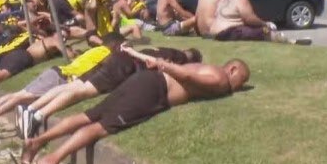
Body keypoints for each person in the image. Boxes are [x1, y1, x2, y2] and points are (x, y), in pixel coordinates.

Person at [20, 55, 250, 164]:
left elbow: (190, 75)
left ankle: (38, 141)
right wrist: (164, 64)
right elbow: (188, 77)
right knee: (101, 127)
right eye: (241, 79)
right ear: (233, 68)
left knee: (90, 115)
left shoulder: (207, 66)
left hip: (144, 80)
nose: (238, 85)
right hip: (153, 89)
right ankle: (52, 159)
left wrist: (162, 66)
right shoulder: (220, 78)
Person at [21, 43, 202, 140]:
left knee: (74, 86)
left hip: (117, 59)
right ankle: (39, 115)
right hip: (124, 66)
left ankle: (33, 109)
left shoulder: (166, 48)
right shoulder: (178, 57)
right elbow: (153, 61)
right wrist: (135, 54)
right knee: (82, 91)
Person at [0, 33, 125, 141]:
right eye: (121, 46)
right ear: (115, 44)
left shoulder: (96, 50)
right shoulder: (106, 53)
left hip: (56, 72)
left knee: (20, 95)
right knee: (22, 96)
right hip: (61, 76)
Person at [209, 0, 311, 45]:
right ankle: (290, 41)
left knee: (252, 30)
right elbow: (250, 19)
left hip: (214, 32)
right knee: (263, 31)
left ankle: (285, 39)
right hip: (228, 32)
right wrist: (265, 24)